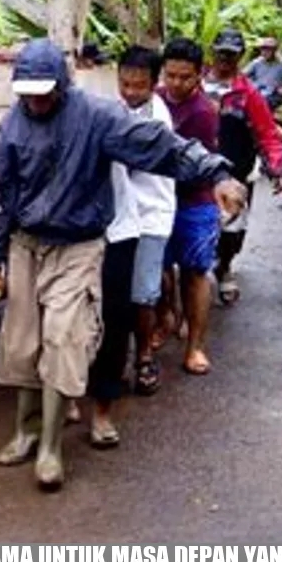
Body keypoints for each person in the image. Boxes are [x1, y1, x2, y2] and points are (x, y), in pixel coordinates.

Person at [0, 39, 244, 492]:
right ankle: (24, 430)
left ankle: (50, 447)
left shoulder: (98, 117)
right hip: (27, 243)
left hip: (80, 243)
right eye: (27, 92)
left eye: (44, 91)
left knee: (63, 337)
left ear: (64, 84)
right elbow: (2, 200)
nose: (36, 101)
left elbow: (163, 146)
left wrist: (217, 173)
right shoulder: (10, 127)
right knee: (22, 342)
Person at [156, 39, 224, 377]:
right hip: (159, 199)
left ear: (199, 75)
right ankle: (167, 315)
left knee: (195, 274)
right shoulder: (152, 100)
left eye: (185, 77)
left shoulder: (204, 113)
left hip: (194, 201)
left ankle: (195, 346)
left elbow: (202, 165)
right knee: (159, 270)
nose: (176, 83)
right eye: (171, 75)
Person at [206, 29, 282, 305]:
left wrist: (276, 164)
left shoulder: (248, 94)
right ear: (212, 52)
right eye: (221, 53)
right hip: (198, 172)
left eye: (231, 54)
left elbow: (267, 132)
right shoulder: (195, 84)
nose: (225, 59)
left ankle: (225, 267)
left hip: (236, 171)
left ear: (240, 56)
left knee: (232, 230)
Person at [118, 46, 177, 397]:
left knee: (142, 295)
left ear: (154, 84)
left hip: (150, 215)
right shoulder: (117, 109)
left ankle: (143, 357)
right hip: (120, 216)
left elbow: (130, 157)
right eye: (124, 83)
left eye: (139, 85)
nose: (130, 92)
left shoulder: (158, 120)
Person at [244, 37, 282, 105]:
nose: (265, 52)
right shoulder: (256, 62)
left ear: (274, 51)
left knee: (266, 102)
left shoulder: (281, 64)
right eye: (263, 49)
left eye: (268, 50)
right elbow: (243, 75)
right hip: (256, 91)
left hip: (273, 93)